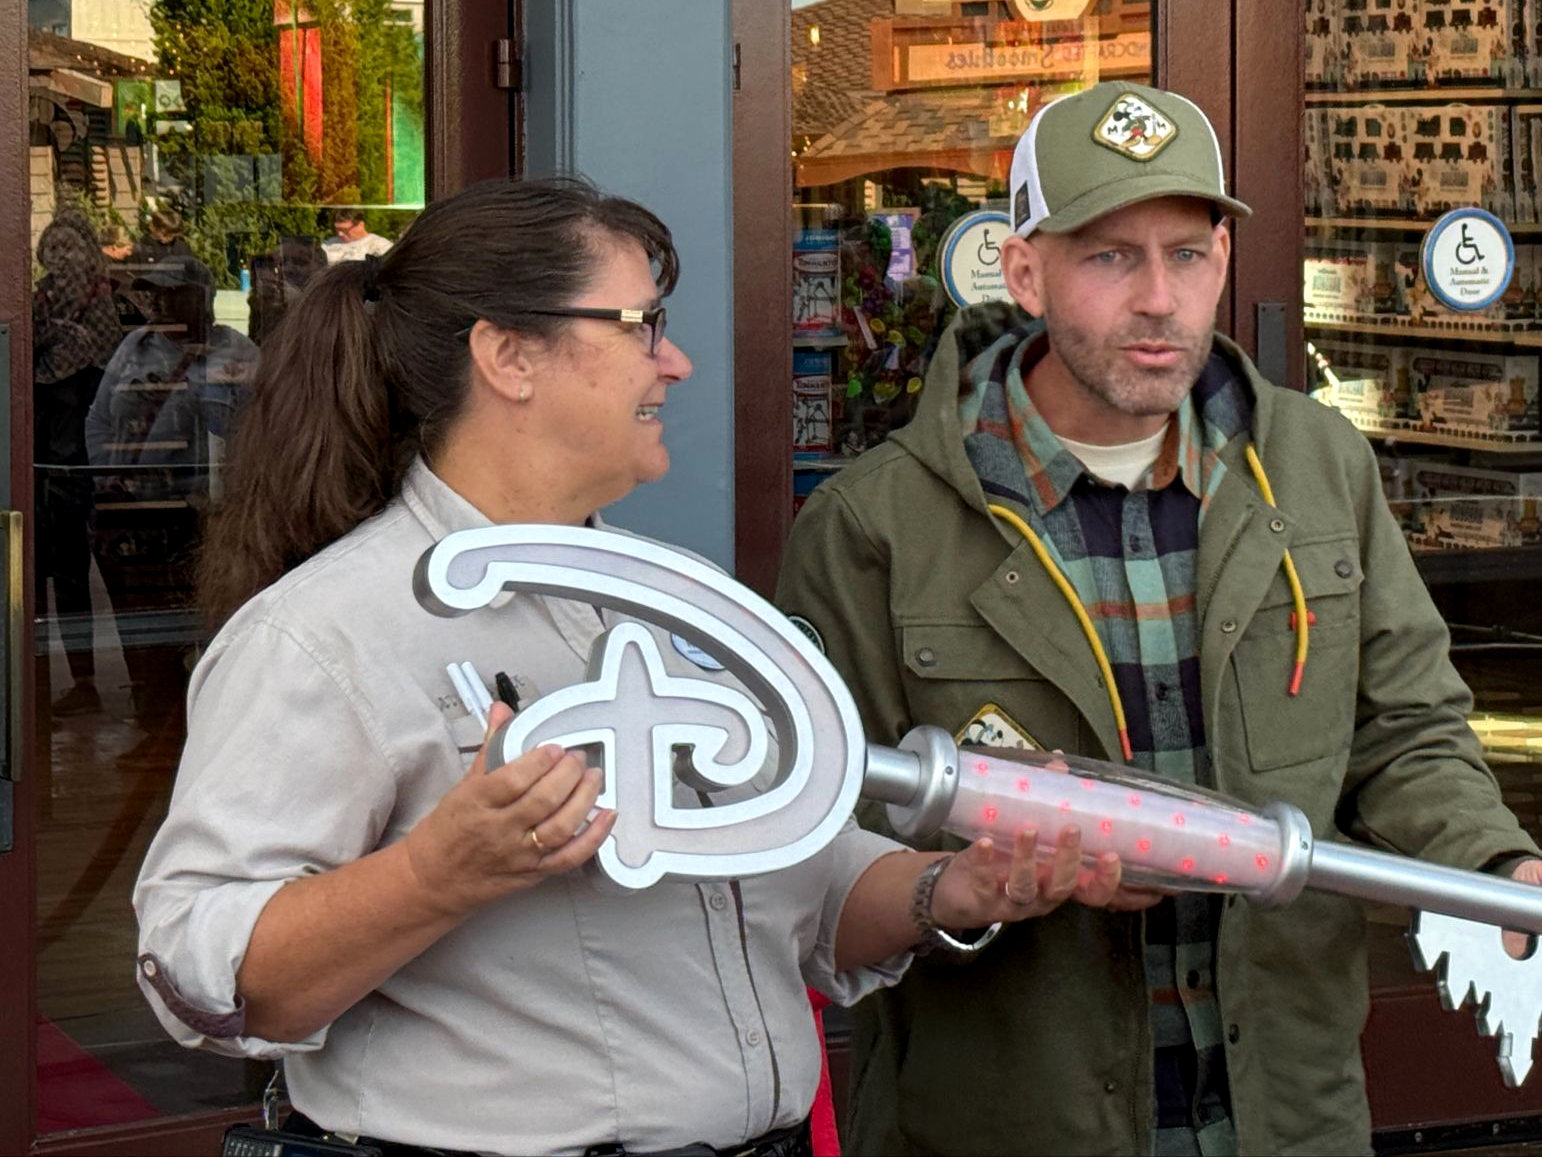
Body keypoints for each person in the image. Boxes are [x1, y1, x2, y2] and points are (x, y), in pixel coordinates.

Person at [134, 177, 1129, 1157]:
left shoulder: (684, 609)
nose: (678, 363)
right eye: (643, 327)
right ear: (509, 356)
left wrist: (952, 888)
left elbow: (803, 890)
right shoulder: (326, 633)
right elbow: (199, 974)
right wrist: (437, 873)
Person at [776, 82, 1542, 1157]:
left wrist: (1495, 868)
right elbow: (822, 852)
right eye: (1110, 256)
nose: (1160, 299)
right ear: (1024, 271)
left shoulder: (1317, 467)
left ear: (1224, 260)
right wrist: (974, 880)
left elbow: (1405, 732)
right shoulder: (873, 525)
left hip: (1283, 1115)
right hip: (1007, 1122)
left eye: (1187, 255)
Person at [86, 253, 259, 746]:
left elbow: (254, 435)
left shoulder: (239, 354)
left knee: (198, 629)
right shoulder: (134, 348)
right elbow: (98, 418)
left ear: (201, 297)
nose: (160, 304)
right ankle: (151, 730)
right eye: (155, 293)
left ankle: (198, 740)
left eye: (171, 293)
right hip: (132, 514)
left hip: (200, 520)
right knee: (137, 629)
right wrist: (108, 477)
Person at [31, 211, 128, 715]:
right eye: (53, 248)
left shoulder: (101, 303)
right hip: (36, 459)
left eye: (70, 247)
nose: (60, 257)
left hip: (76, 463)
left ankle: (84, 682)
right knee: (28, 578)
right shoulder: (37, 301)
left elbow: (96, 361)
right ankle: (28, 691)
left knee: (72, 576)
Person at [322, 204, 395, 263]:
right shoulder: (327, 244)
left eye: (345, 230)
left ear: (360, 225)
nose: (340, 234)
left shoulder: (381, 247)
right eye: (337, 229)